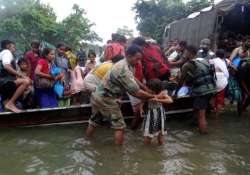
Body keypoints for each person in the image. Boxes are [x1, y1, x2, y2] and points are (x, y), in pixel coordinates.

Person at [86, 45, 159, 145]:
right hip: (106, 98)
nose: (138, 61)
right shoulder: (123, 68)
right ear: (129, 56)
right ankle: (118, 155)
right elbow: (135, 92)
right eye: (137, 58)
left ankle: (87, 142)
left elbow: (133, 79)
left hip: (98, 95)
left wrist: (145, 88)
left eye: (140, 59)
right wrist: (153, 96)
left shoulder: (126, 64)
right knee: (119, 126)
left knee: (94, 121)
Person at [179, 45, 216, 134]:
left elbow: (181, 80)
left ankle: (203, 137)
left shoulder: (187, 65)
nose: (184, 54)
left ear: (188, 53)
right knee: (196, 108)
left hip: (202, 91)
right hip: (211, 89)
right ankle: (194, 124)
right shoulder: (204, 60)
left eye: (185, 53)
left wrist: (180, 88)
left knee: (201, 116)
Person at [0, 40, 31, 113]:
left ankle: (9, 105)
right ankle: (11, 103)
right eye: (13, 46)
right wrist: (20, 75)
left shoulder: (1, 53)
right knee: (26, 81)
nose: (15, 48)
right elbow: (6, 66)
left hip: (4, 82)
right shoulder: (7, 52)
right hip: (4, 81)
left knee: (6, 108)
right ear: (8, 46)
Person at [142, 79, 173, 145]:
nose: (147, 88)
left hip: (158, 113)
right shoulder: (148, 93)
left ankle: (149, 149)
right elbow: (143, 99)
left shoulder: (161, 94)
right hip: (151, 114)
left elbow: (170, 100)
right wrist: (141, 107)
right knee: (148, 134)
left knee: (159, 133)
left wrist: (158, 100)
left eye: (148, 88)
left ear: (154, 89)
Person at [209, 49, 229, 116]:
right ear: (224, 55)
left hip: (214, 80)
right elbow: (233, 67)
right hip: (222, 81)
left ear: (216, 55)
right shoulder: (226, 61)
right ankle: (217, 114)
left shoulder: (212, 61)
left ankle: (213, 109)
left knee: (213, 96)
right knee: (220, 98)